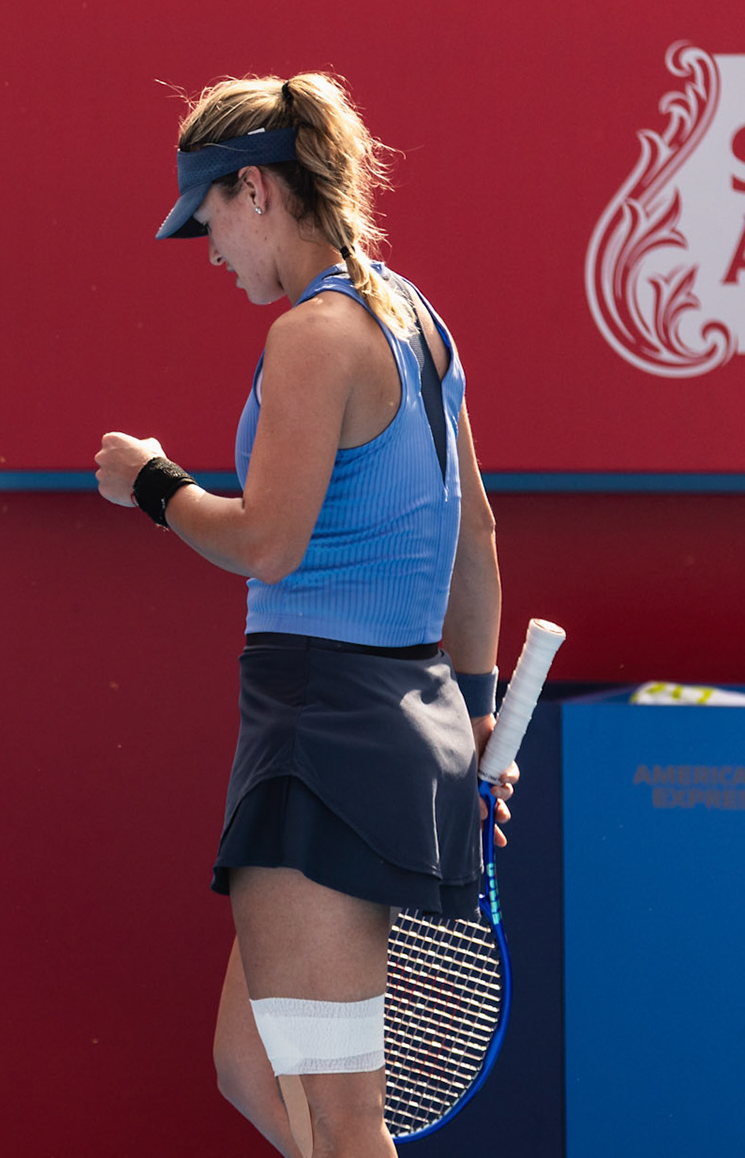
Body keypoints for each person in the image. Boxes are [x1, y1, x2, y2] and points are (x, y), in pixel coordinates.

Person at [92, 73, 511, 1158]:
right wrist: (473, 714)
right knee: (248, 1065)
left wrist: (153, 485)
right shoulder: (416, 318)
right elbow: (474, 538)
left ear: (256, 189)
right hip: (396, 719)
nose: (211, 251)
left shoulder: (313, 336)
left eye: (208, 218)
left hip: (322, 732)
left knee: (340, 1119)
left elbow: (267, 543)